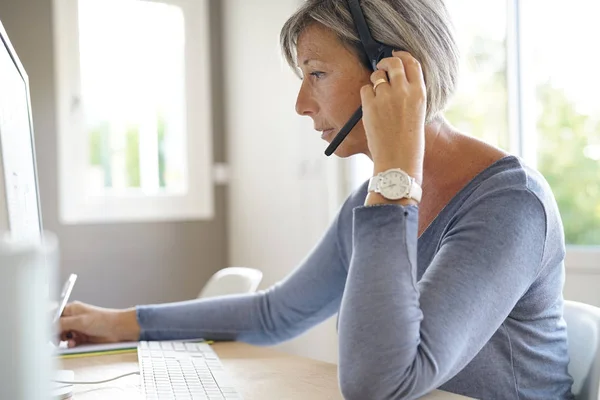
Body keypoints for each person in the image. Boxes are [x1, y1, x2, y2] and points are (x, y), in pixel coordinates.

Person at [59, 0, 575, 398]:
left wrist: (394, 175)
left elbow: (380, 383)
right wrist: (116, 323)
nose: (302, 104)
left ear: (390, 71)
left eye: (317, 74)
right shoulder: (371, 204)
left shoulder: (509, 204)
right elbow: (275, 313)